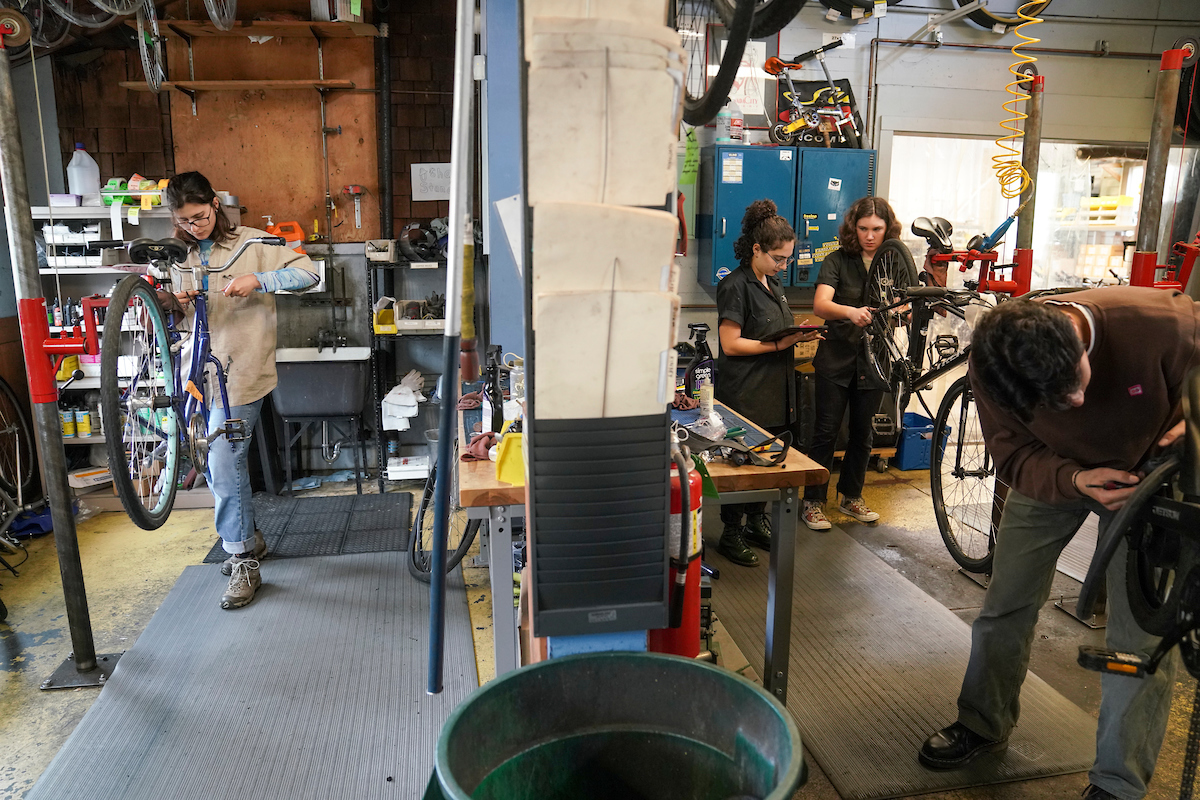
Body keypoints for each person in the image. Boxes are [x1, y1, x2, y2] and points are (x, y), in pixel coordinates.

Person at [918, 287, 1200, 800]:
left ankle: (1117, 785)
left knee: (1140, 638)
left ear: (1077, 344)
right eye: (1054, 402)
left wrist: (1195, 422)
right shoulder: (994, 363)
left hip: (1152, 475)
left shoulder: (1161, 323)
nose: (1074, 403)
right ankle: (982, 722)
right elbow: (1013, 456)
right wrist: (1074, 480)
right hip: (1055, 473)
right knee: (1006, 604)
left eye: (1074, 386)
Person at [164, 172, 319, 609]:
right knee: (214, 467)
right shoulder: (176, 254)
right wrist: (172, 302)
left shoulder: (254, 243)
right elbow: (169, 313)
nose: (194, 226)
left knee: (224, 458)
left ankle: (243, 561)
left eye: (200, 216)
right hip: (196, 375)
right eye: (185, 221)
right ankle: (246, 536)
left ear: (215, 204)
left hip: (241, 372)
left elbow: (309, 274)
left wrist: (261, 281)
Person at [714, 199, 820, 566]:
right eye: (778, 258)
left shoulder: (773, 284)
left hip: (775, 388)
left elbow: (776, 328)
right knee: (744, 463)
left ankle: (756, 521)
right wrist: (778, 343)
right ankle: (732, 531)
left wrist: (800, 336)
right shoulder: (735, 286)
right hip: (746, 390)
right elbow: (730, 343)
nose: (783, 265)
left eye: (788, 258)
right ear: (756, 249)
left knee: (769, 460)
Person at [803, 196, 902, 530]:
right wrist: (851, 312)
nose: (870, 235)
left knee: (863, 434)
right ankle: (813, 501)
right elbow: (820, 304)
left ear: (888, 229)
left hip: (875, 361)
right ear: (853, 227)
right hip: (836, 359)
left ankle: (851, 497)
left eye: (877, 228)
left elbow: (904, 303)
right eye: (863, 228)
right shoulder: (837, 260)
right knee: (826, 433)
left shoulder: (895, 262)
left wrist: (900, 311)